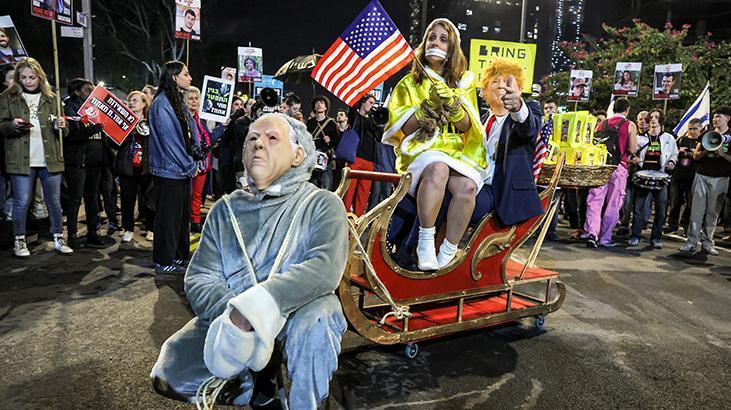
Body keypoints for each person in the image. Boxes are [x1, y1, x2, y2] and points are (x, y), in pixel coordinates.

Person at [150, 113, 348, 408]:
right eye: (252, 139)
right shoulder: (224, 210)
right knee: (169, 372)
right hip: (234, 319)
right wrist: (235, 318)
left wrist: (255, 308)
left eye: (271, 138)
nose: (258, 144)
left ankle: (310, 401)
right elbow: (200, 277)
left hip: (297, 311)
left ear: (298, 155)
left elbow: (323, 270)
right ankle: (258, 388)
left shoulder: (322, 204)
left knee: (319, 316)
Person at [382, 18, 487, 270]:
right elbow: (399, 130)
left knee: (468, 187)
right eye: (432, 37)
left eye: (443, 39)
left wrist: (453, 107)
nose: (436, 42)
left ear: (452, 48)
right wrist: (424, 110)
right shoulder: (409, 83)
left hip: (455, 151)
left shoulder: (463, 83)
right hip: (422, 150)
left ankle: (448, 251)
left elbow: (466, 127)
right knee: (438, 167)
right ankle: (425, 241)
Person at [0, 57, 72, 257]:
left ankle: (59, 238)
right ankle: (20, 241)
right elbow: (2, 126)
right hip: (21, 159)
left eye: (32, 77)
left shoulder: (53, 98)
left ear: (40, 77)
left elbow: (64, 133)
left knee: (54, 202)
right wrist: (12, 125)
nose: (28, 81)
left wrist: (62, 126)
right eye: (23, 77)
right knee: (21, 201)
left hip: (50, 158)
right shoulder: (8, 97)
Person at [149, 60, 198, 274]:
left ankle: (178, 256)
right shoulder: (162, 104)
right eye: (186, 74)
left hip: (180, 171)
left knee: (180, 218)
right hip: (169, 171)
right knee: (168, 219)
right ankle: (163, 260)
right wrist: (190, 165)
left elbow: (189, 132)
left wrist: (195, 156)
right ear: (173, 77)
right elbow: (170, 141)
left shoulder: (175, 100)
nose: (190, 78)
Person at [60, 78, 109, 249]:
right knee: (75, 199)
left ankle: (93, 232)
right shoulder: (68, 107)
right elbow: (71, 135)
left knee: (93, 198)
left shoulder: (97, 107)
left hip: (95, 160)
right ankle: (72, 235)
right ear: (76, 92)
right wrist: (91, 130)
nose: (92, 93)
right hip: (77, 161)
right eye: (88, 90)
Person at [583, 97, 638, 248]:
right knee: (613, 204)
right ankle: (605, 238)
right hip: (619, 167)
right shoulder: (630, 125)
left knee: (595, 200)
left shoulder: (602, 124)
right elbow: (632, 149)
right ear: (627, 110)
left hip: (601, 166)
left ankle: (592, 233)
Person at [679, 107, 731, 255]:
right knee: (696, 211)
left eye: (718, 116)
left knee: (712, 213)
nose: (715, 119)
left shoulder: (730, 136)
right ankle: (691, 242)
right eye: (714, 117)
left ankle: (708, 243)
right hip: (702, 175)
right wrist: (707, 150)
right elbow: (695, 155)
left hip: (721, 178)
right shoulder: (706, 134)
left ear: (727, 118)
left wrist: (722, 154)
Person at [627, 109, 678, 248]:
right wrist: (634, 159)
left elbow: (674, 154)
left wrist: (672, 162)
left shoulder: (668, 138)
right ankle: (635, 236)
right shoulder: (640, 138)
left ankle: (656, 238)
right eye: (651, 117)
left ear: (661, 120)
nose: (653, 119)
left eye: (656, 117)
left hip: (661, 177)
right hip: (643, 175)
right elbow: (630, 152)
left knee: (661, 210)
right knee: (638, 209)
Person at [117, 91, 154, 243]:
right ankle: (128, 229)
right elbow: (114, 143)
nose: (132, 103)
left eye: (135, 100)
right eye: (130, 100)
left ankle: (151, 228)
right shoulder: (123, 122)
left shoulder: (151, 121)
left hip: (147, 167)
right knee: (127, 200)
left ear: (144, 103)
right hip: (128, 166)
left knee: (150, 200)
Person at [343, 94, 380, 214]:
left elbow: (379, 136)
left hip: (369, 161)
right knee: (349, 191)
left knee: (363, 194)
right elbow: (353, 107)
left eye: (373, 103)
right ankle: (344, 218)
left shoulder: (372, 121)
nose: (372, 105)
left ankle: (357, 221)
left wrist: (377, 119)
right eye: (370, 102)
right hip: (355, 158)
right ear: (363, 102)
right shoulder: (355, 116)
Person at [666, 117, 702, 234]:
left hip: (694, 176)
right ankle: (672, 224)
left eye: (695, 128)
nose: (692, 131)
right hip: (678, 174)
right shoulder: (682, 139)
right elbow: (672, 152)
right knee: (675, 202)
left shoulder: (703, 142)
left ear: (701, 128)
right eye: (690, 129)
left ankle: (686, 225)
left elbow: (701, 156)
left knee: (691, 204)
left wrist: (690, 153)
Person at [186, 86, 214, 233]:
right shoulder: (183, 118)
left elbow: (209, 141)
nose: (194, 101)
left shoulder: (200, 120)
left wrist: (222, 126)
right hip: (189, 164)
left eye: (196, 98)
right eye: (190, 98)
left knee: (197, 195)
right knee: (187, 195)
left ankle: (195, 221)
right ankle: (186, 221)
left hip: (202, 164)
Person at [618, 110, 650, 236]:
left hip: (645, 173)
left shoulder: (655, 137)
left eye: (645, 119)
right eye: (640, 119)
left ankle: (639, 226)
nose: (643, 122)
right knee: (627, 201)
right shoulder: (633, 135)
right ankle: (624, 224)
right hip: (631, 173)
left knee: (641, 203)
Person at [306, 95, 338, 190]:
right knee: (311, 187)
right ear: (314, 107)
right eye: (317, 103)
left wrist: (330, 140)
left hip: (325, 158)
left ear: (326, 107)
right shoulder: (310, 122)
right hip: (312, 157)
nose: (319, 105)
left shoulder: (331, 123)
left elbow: (337, 141)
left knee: (326, 187)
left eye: (322, 103)